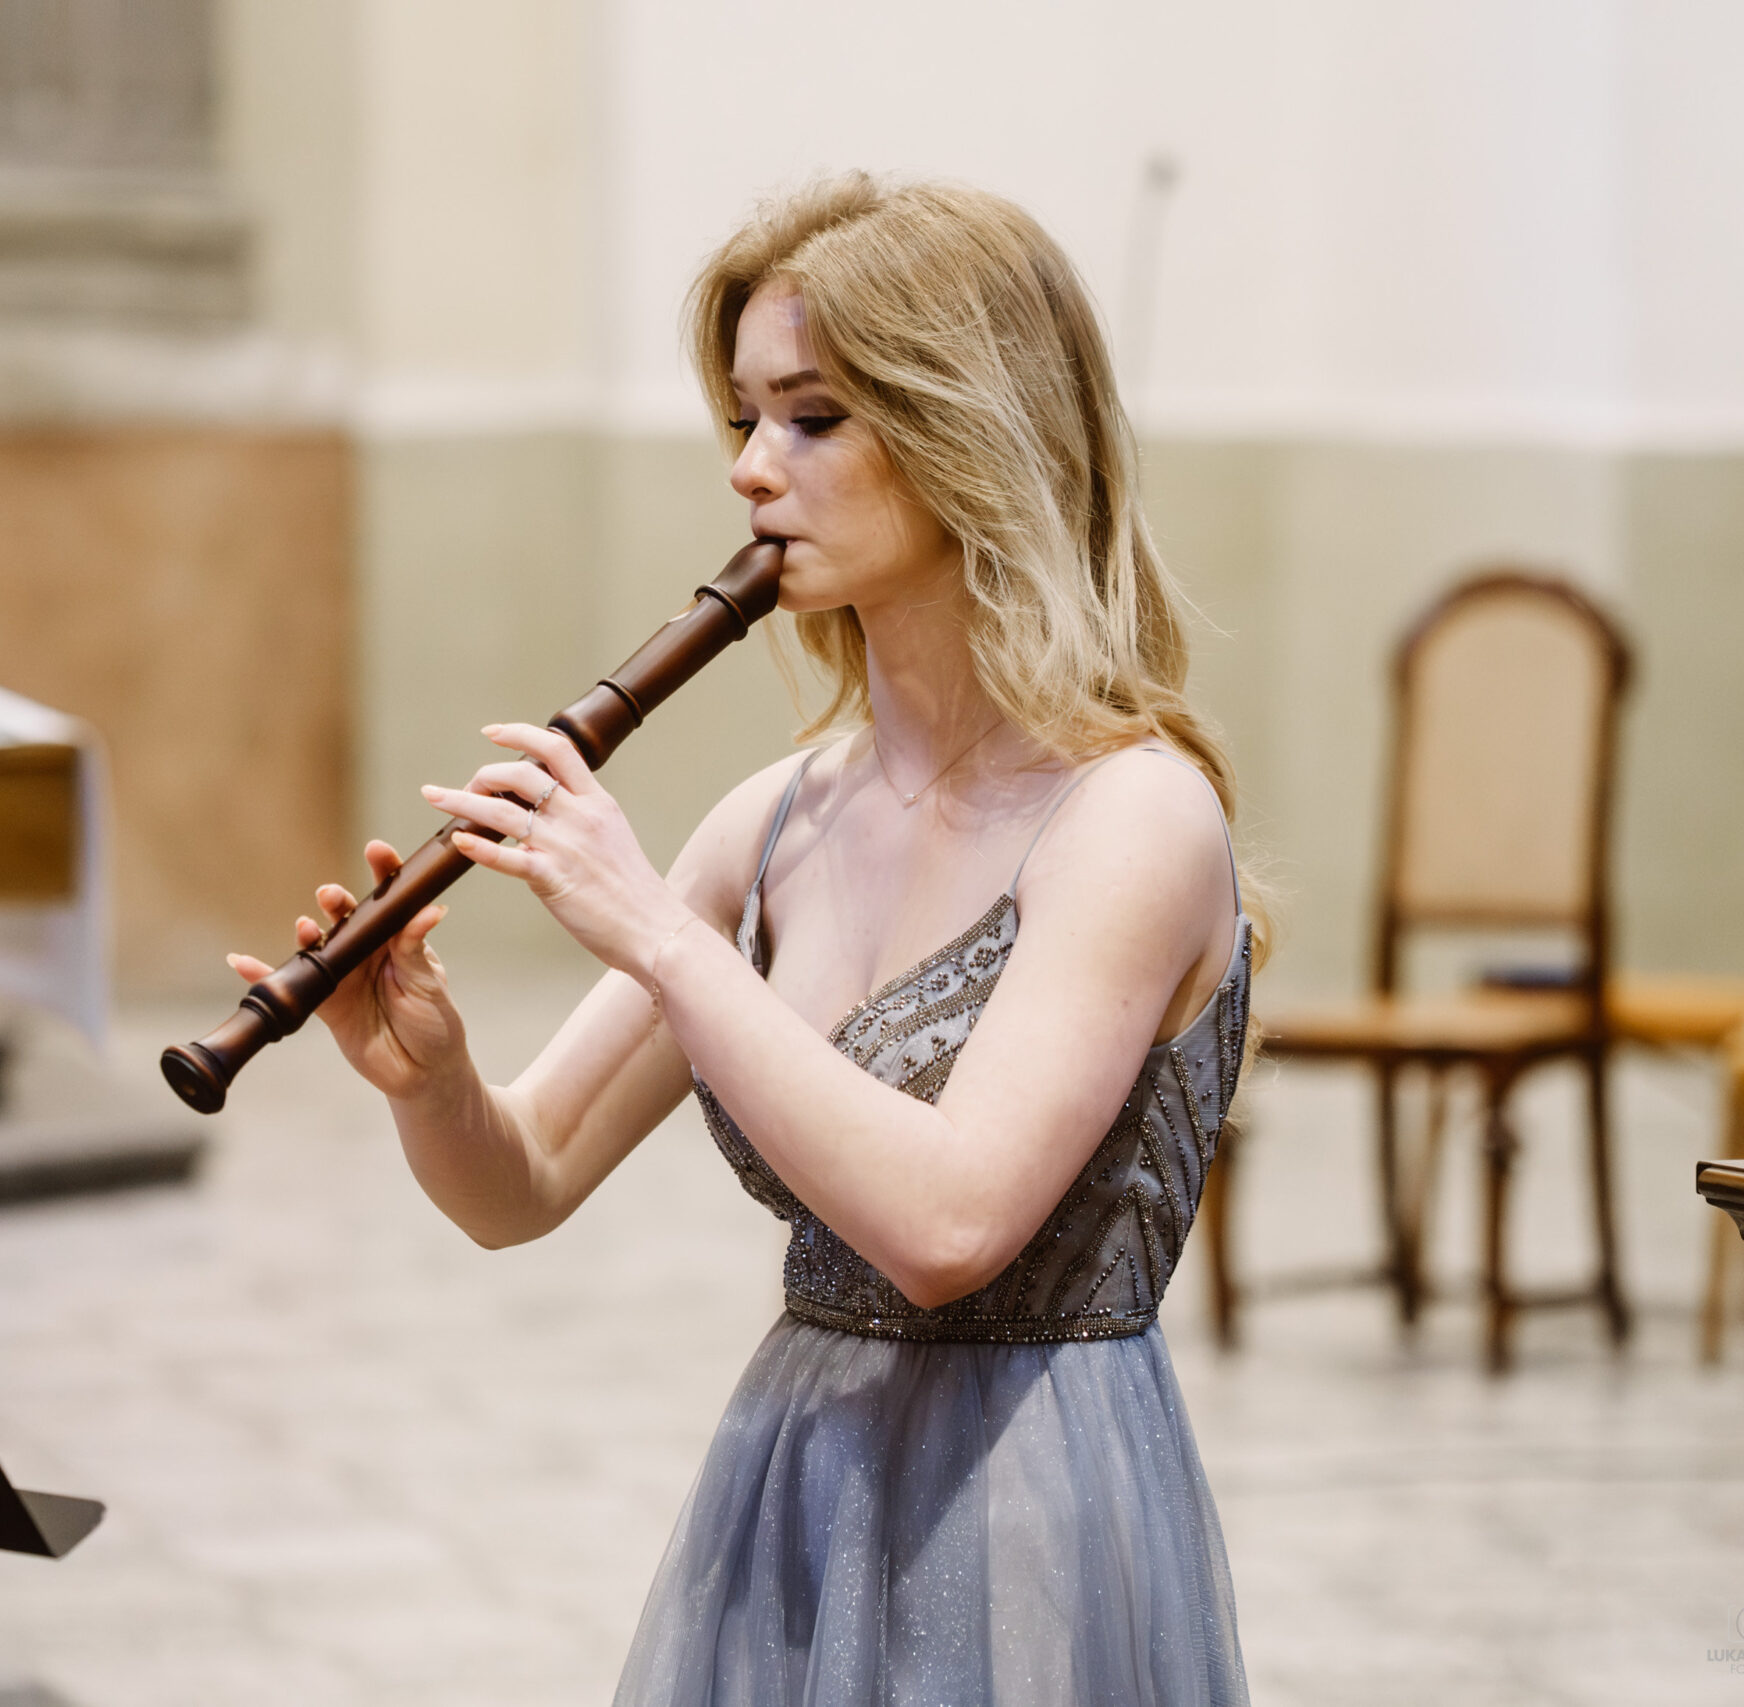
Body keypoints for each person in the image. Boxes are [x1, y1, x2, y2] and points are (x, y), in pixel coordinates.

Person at [229, 173, 1258, 1706]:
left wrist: (658, 933)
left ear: (972, 430)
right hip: (796, 1488)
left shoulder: (1133, 818)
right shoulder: (771, 827)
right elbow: (521, 1186)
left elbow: (951, 1231)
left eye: (813, 418)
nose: (752, 470)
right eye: (742, 419)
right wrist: (432, 1083)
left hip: (1029, 1510)